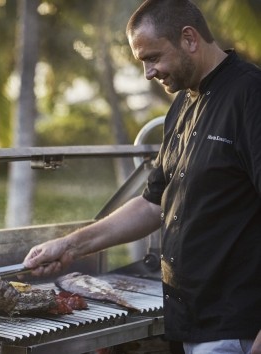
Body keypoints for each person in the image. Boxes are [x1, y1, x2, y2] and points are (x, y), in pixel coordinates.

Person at [22, 0, 261, 353]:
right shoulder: (181, 107)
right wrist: (68, 246)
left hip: (237, 328)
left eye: (153, 58)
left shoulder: (250, 95)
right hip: (193, 324)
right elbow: (152, 205)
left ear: (190, 39)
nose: (148, 73)